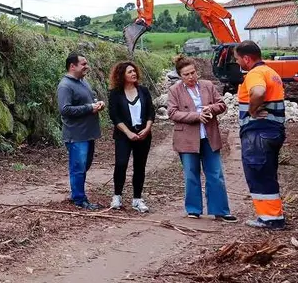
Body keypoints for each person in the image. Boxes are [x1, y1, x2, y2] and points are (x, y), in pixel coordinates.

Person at [166, 55, 237, 222]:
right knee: (191, 174)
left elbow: (222, 105)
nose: (191, 77)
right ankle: (193, 209)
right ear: (180, 76)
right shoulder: (174, 90)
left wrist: (210, 108)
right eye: (186, 74)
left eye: (193, 73)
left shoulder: (207, 86)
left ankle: (220, 210)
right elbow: (172, 113)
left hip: (209, 136)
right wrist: (196, 116)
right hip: (187, 138)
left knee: (216, 173)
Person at [234, 41, 287, 230]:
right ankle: (274, 215)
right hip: (273, 131)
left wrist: (251, 110)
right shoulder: (271, 72)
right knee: (267, 173)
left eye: (238, 58)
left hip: (258, 133)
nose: (237, 62)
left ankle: (270, 218)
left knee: (258, 173)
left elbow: (258, 91)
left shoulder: (255, 73)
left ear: (246, 58)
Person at [57, 52, 105, 210]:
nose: (87, 66)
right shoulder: (65, 85)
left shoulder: (83, 82)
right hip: (76, 135)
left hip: (87, 133)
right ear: (72, 66)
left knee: (84, 166)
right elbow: (65, 110)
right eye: (83, 64)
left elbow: (87, 102)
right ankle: (79, 199)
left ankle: (77, 194)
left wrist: (97, 104)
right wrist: (89, 108)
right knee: (78, 167)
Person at [107, 61, 154, 213]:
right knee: (121, 163)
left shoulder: (143, 91)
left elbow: (150, 112)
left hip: (143, 134)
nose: (133, 73)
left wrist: (147, 128)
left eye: (134, 71)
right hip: (123, 135)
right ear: (122, 75)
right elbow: (114, 116)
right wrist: (128, 133)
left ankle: (137, 198)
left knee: (140, 166)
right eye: (129, 72)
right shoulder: (115, 93)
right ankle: (117, 196)